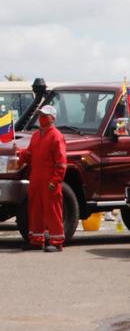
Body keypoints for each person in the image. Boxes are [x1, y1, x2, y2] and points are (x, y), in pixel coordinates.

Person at [18, 104, 67, 251]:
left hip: (49, 180)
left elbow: (61, 163)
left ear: (52, 118)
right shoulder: (36, 136)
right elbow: (29, 155)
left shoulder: (57, 137)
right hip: (36, 179)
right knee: (35, 210)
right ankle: (36, 240)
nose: (41, 118)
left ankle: (57, 242)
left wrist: (55, 180)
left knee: (53, 210)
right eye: (40, 115)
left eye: (44, 116)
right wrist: (19, 153)